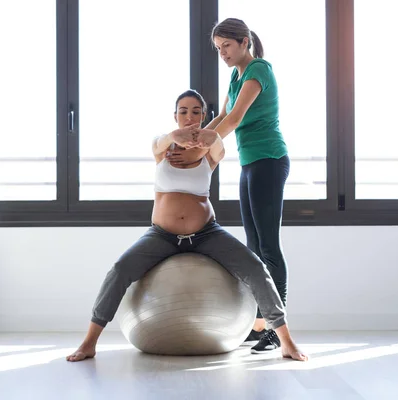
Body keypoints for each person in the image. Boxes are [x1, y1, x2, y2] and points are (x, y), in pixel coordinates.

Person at [66, 90, 307, 362]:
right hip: (162, 234)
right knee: (120, 270)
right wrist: (174, 137)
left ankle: (285, 340)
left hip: (206, 233)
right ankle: (89, 342)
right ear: (175, 115)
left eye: (195, 111)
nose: (189, 116)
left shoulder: (210, 152)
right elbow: (158, 142)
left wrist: (204, 137)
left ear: (203, 116)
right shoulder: (162, 149)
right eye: (183, 111)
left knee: (255, 268)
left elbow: (218, 143)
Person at [166, 18, 291, 353]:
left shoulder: (258, 70)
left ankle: (276, 328)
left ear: (244, 42)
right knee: (253, 247)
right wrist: (198, 139)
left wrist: (202, 139)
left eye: (227, 46)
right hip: (250, 164)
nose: (222, 53)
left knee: (268, 246)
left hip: (269, 160)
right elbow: (220, 118)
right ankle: (259, 324)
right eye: (218, 48)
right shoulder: (236, 76)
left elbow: (234, 120)